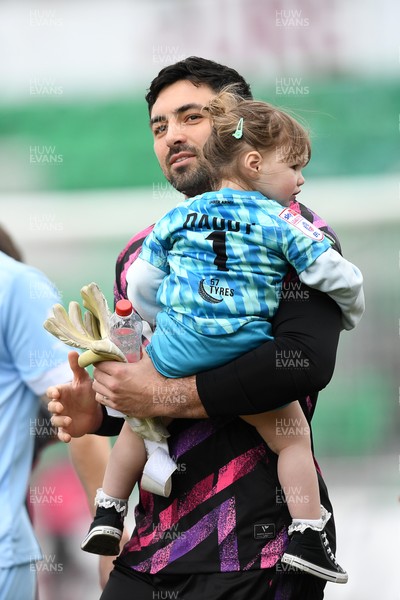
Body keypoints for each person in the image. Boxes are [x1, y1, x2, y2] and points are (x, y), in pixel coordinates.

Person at [48, 57, 348, 599]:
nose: (172, 136)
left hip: (265, 551)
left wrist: (157, 392)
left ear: (242, 123)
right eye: (159, 126)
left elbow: (301, 363)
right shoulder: (141, 253)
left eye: (191, 116)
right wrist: (102, 410)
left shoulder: (301, 234)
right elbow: (140, 379)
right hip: (149, 552)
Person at [0, 224, 114, 598]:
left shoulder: (14, 286)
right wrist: (109, 532)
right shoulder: (16, 285)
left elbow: (70, 405)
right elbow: (73, 406)